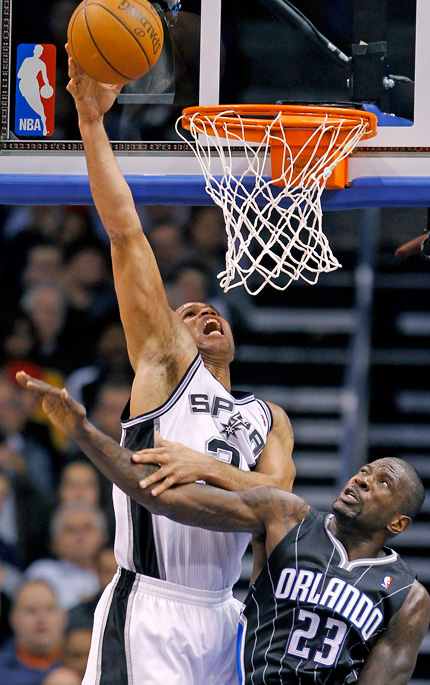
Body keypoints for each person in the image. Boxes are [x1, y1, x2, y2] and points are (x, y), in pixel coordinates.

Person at [63, 46, 295, 684]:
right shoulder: (166, 368)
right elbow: (125, 235)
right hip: (151, 606)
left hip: (227, 616)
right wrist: (89, 122)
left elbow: (285, 506)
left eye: (209, 310)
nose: (200, 312)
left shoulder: (266, 417)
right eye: (185, 314)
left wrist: (204, 467)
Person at [16, 373, 430, 684]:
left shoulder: (406, 597)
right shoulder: (289, 519)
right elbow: (163, 498)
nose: (361, 479)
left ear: (399, 522)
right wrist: (84, 433)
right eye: (364, 471)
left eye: (383, 482)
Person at [25, 502, 108, 611]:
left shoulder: (114, 573)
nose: (80, 537)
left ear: (103, 536)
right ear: (55, 541)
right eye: (70, 530)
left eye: (87, 528)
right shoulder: (41, 574)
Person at [0, 579, 66, 685]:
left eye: (50, 609)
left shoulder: (86, 662)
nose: (41, 619)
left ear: (64, 616)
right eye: (31, 610)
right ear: (13, 619)